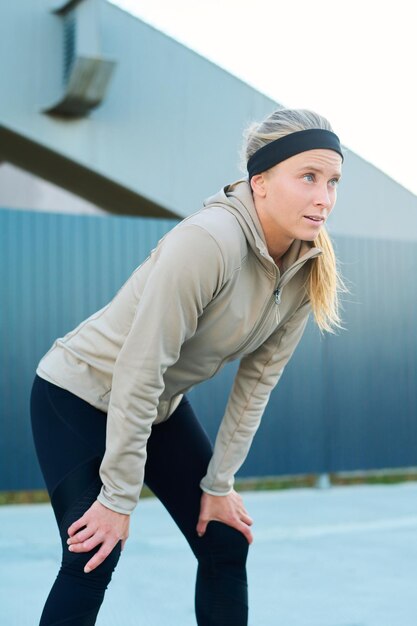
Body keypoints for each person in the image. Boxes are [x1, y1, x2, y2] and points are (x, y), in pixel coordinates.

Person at [30, 107, 344, 625]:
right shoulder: (209, 241)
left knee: (224, 540)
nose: (323, 197)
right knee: (93, 553)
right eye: (308, 177)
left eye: (332, 181)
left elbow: (257, 384)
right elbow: (139, 364)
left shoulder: (305, 265)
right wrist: (117, 496)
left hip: (155, 404)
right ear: (260, 182)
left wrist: (218, 486)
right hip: (75, 394)